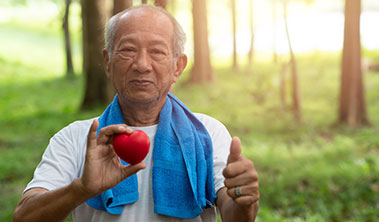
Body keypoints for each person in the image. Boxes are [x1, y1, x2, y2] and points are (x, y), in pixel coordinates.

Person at [13, 5, 259, 222]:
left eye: (157, 52)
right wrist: (81, 189)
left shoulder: (207, 133)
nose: (142, 64)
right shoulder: (77, 138)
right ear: (108, 62)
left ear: (178, 66)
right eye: (128, 50)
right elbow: (24, 217)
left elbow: (234, 215)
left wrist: (242, 199)